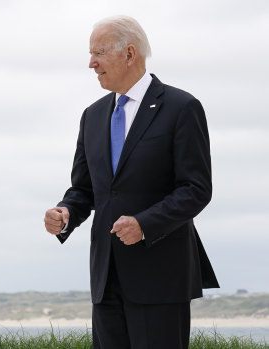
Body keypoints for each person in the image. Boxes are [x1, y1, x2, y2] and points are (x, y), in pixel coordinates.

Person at [43, 16, 219, 349]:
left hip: (161, 276)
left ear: (129, 53)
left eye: (99, 53)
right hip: (105, 276)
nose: (91, 63)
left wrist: (144, 223)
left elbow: (196, 189)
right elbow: (84, 189)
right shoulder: (92, 116)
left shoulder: (182, 107)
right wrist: (65, 213)